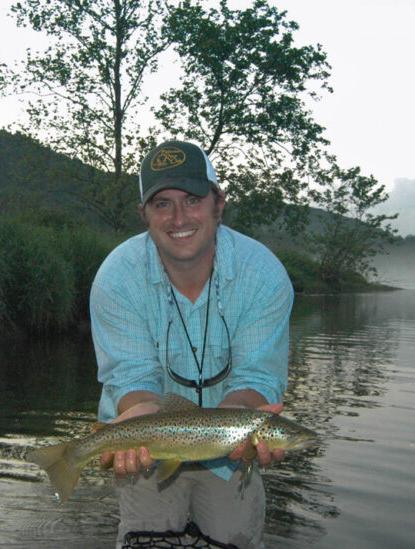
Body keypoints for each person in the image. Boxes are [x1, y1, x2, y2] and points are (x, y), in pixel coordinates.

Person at [89, 140, 294, 549]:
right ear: (144, 214)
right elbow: (131, 376)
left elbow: (256, 376)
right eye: (162, 204)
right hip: (146, 449)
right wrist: (138, 413)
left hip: (229, 458)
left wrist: (239, 424)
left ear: (219, 203)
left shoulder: (264, 275)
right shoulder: (116, 278)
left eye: (193, 200)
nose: (179, 218)